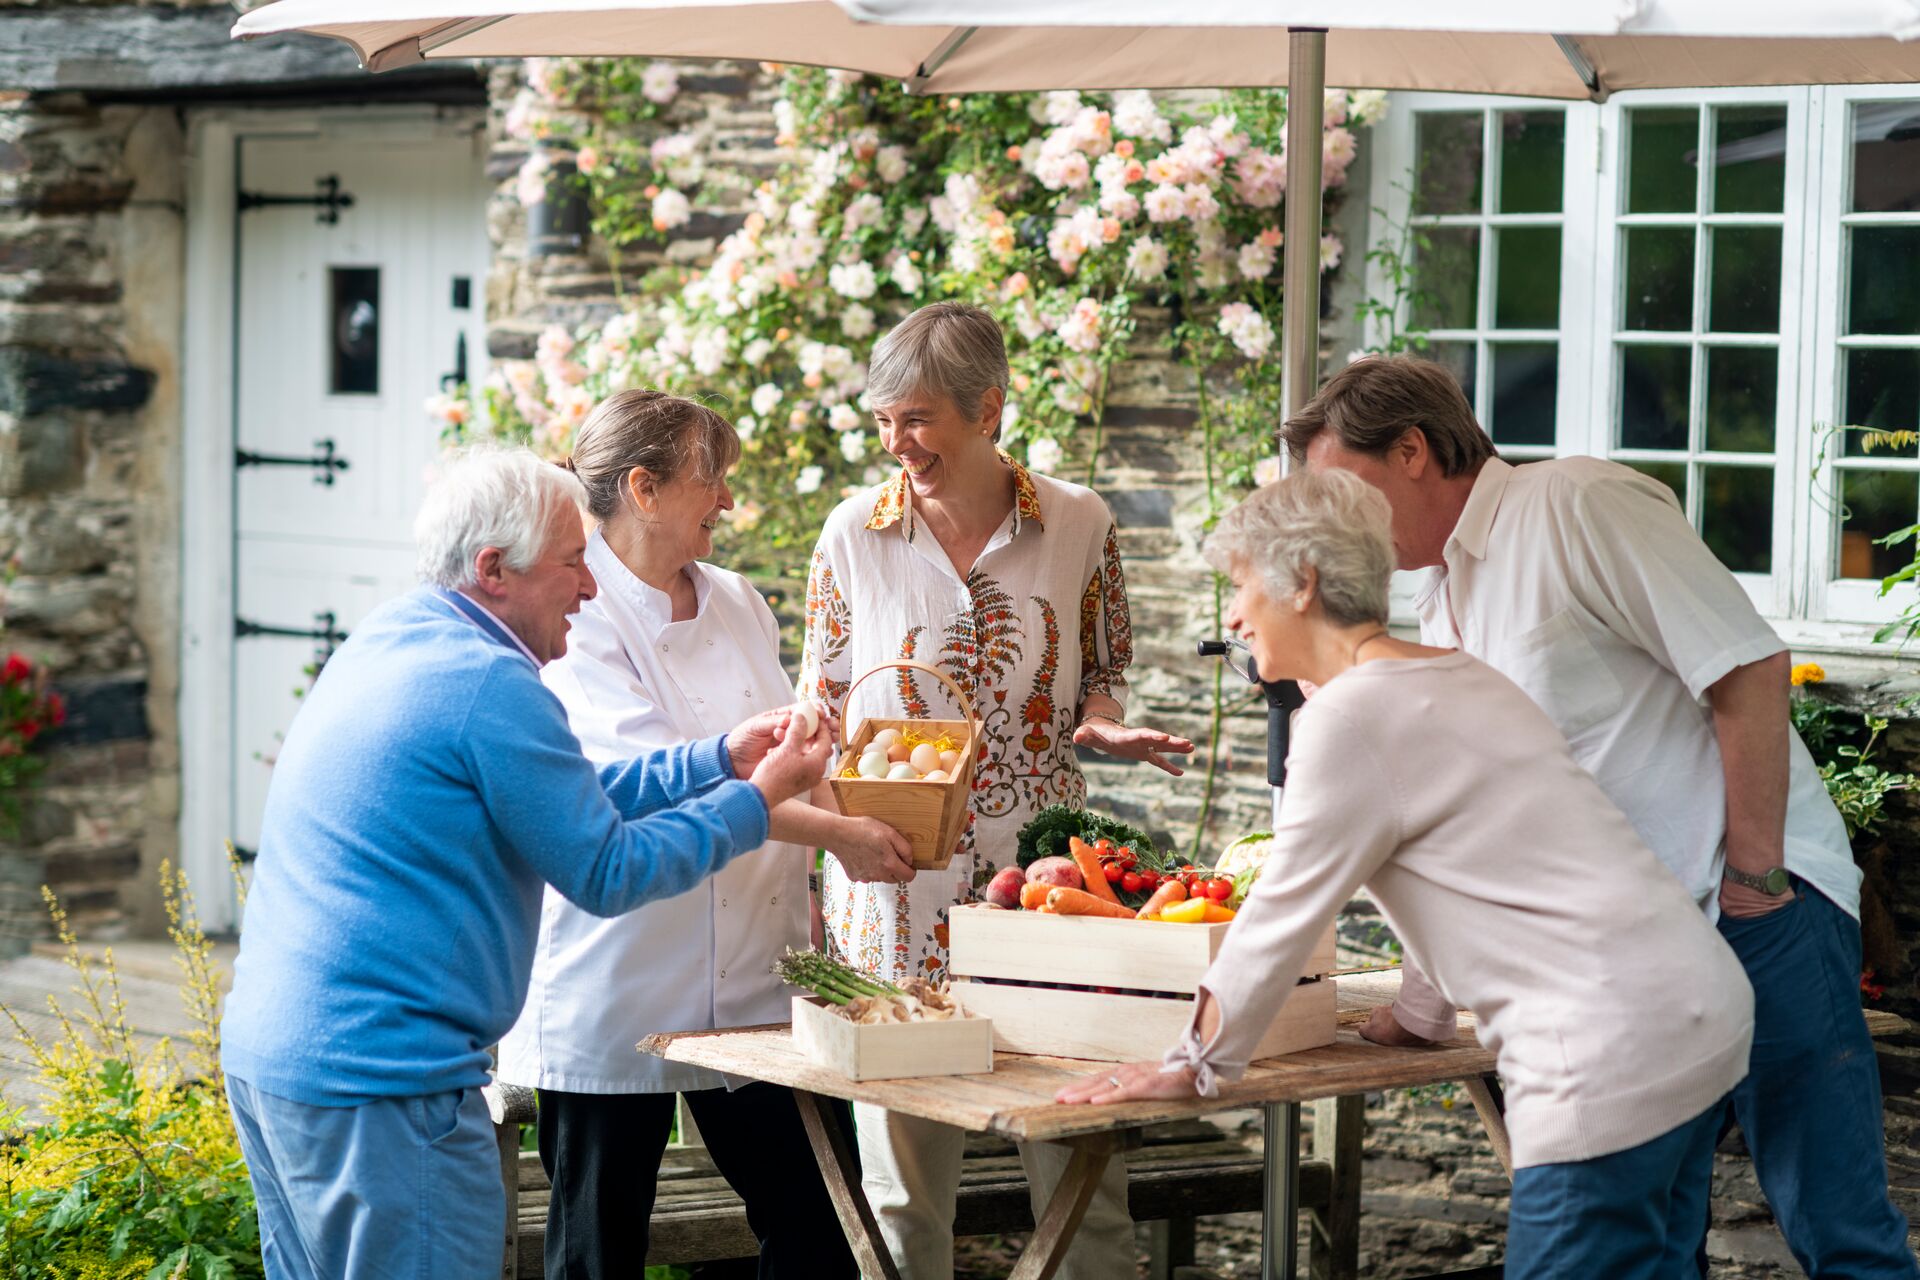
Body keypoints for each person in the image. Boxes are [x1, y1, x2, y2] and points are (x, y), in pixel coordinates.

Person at [1285, 356, 1917, 1278]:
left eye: (1342, 490)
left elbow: (1747, 668)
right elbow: (1467, 814)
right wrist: (1423, 1007)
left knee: (1839, 1231)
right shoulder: (1445, 595)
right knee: (1656, 1245)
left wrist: (1755, 877)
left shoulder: (1577, 503)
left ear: (1414, 451)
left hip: (1754, 911)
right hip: (1641, 964)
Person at [1059, 469, 1756, 1278]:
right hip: (1699, 1009)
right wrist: (1423, 1014)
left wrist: (1194, 1066)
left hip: (1606, 1051)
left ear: (1304, 582)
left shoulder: (1348, 719)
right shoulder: (1462, 673)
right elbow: (1468, 880)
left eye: (1243, 586)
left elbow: (1277, 919)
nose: (1234, 615)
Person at [219, 446, 834, 1280]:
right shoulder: (491, 683)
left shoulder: (398, 635)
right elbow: (606, 869)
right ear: (493, 570)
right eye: (574, 562)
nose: (590, 586)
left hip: (277, 1063)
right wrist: (759, 802)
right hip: (385, 1085)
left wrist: (716, 758)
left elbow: (561, 796)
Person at [798, 302, 1195, 1280]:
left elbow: (1102, 669)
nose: (898, 443)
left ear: (990, 407)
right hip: (893, 887)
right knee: (901, 1186)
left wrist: (1102, 720)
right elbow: (820, 700)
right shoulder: (854, 533)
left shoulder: (1081, 522)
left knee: (1078, 1161)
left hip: (1041, 889)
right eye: (884, 419)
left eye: (919, 418)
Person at [496, 391, 916, 1280]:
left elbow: (794, 752)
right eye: (711, 479)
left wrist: (859, 812)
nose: (727, 498)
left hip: (760, 977)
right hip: (625, 978)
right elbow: (646, 788)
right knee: (599, 1257)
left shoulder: (734, 600)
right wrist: (837, 836)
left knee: (823, 1236)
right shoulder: (581, 612)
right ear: (644, 489)